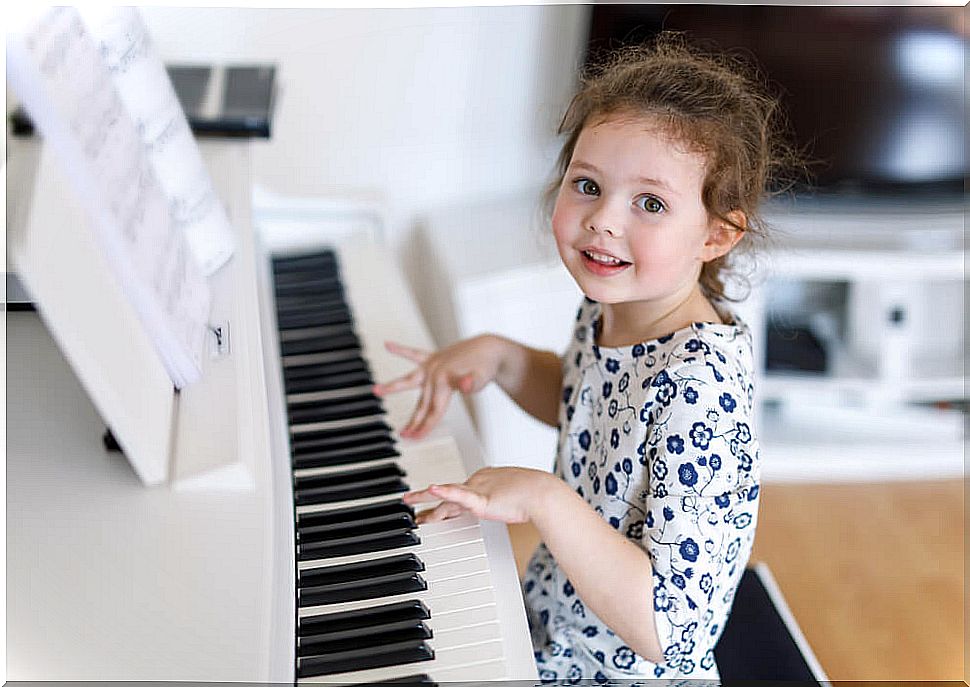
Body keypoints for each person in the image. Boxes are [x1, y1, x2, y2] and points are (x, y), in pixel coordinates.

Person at [373, 33, 799, 682]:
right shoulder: (618, 310)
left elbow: (673, 630)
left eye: (649, 203)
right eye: (588, 184)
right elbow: (592, 407)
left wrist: (545, 498)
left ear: (716, 234)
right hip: (555, 617)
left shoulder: (698, 390)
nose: (603, 220)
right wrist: (507, 359)